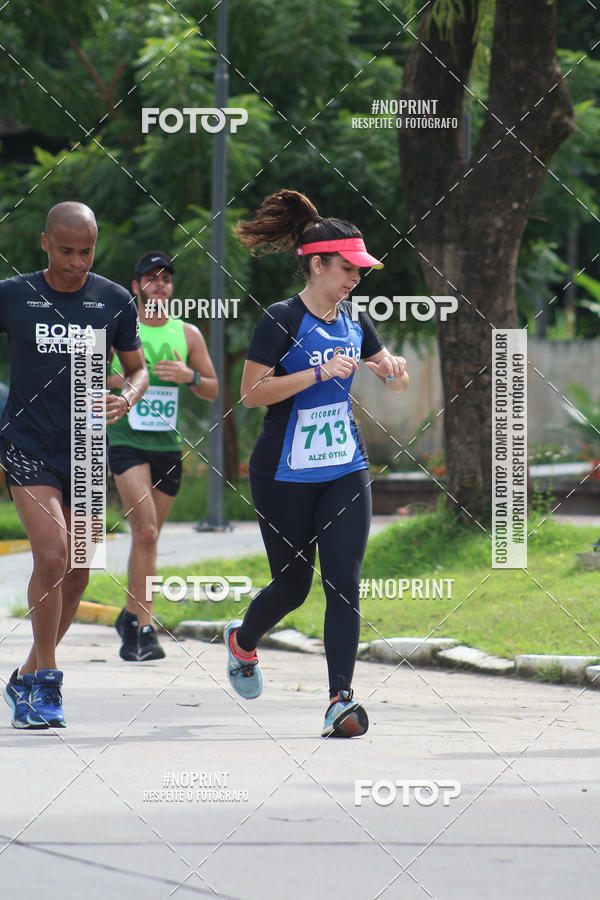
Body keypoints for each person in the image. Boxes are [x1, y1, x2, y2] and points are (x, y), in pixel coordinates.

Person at [225, 189, 409, 738]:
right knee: (291, 588)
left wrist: (394, 371)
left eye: (360, 269)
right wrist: (317, 374)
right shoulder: (281, 319)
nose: (355, 277)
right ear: (317, 264)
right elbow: (251, 394)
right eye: (347, 268)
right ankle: (243, 640)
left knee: (344, 581)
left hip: (345, 466)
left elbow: (390, 376)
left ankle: (339, 701)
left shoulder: (355, 320)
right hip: (282, 474)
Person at [1, 201, 148, 729]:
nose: (77, 262)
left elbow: (138, 369)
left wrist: (127, 397)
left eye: (87, 252)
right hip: (27, 445)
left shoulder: (113, 300)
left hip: (86, 447)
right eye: (66, 251)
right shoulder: (13, 294)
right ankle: (48, 682)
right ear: (45, 243)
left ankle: (24, 676)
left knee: (79, 573)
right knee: (52, 554)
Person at [107, 252, 218, 661]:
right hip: (126, 439)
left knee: (148, 538)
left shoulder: (187, 334)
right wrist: (126, 379)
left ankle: (129, 616)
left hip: (167, 447)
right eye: (151, 278)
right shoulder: (120, 328)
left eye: (166, 279)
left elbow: (213, 388)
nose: (159, 285)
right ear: (136, 287)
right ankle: (146, 629)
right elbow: (88, 373)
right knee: (147, 531)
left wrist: (189, 377)